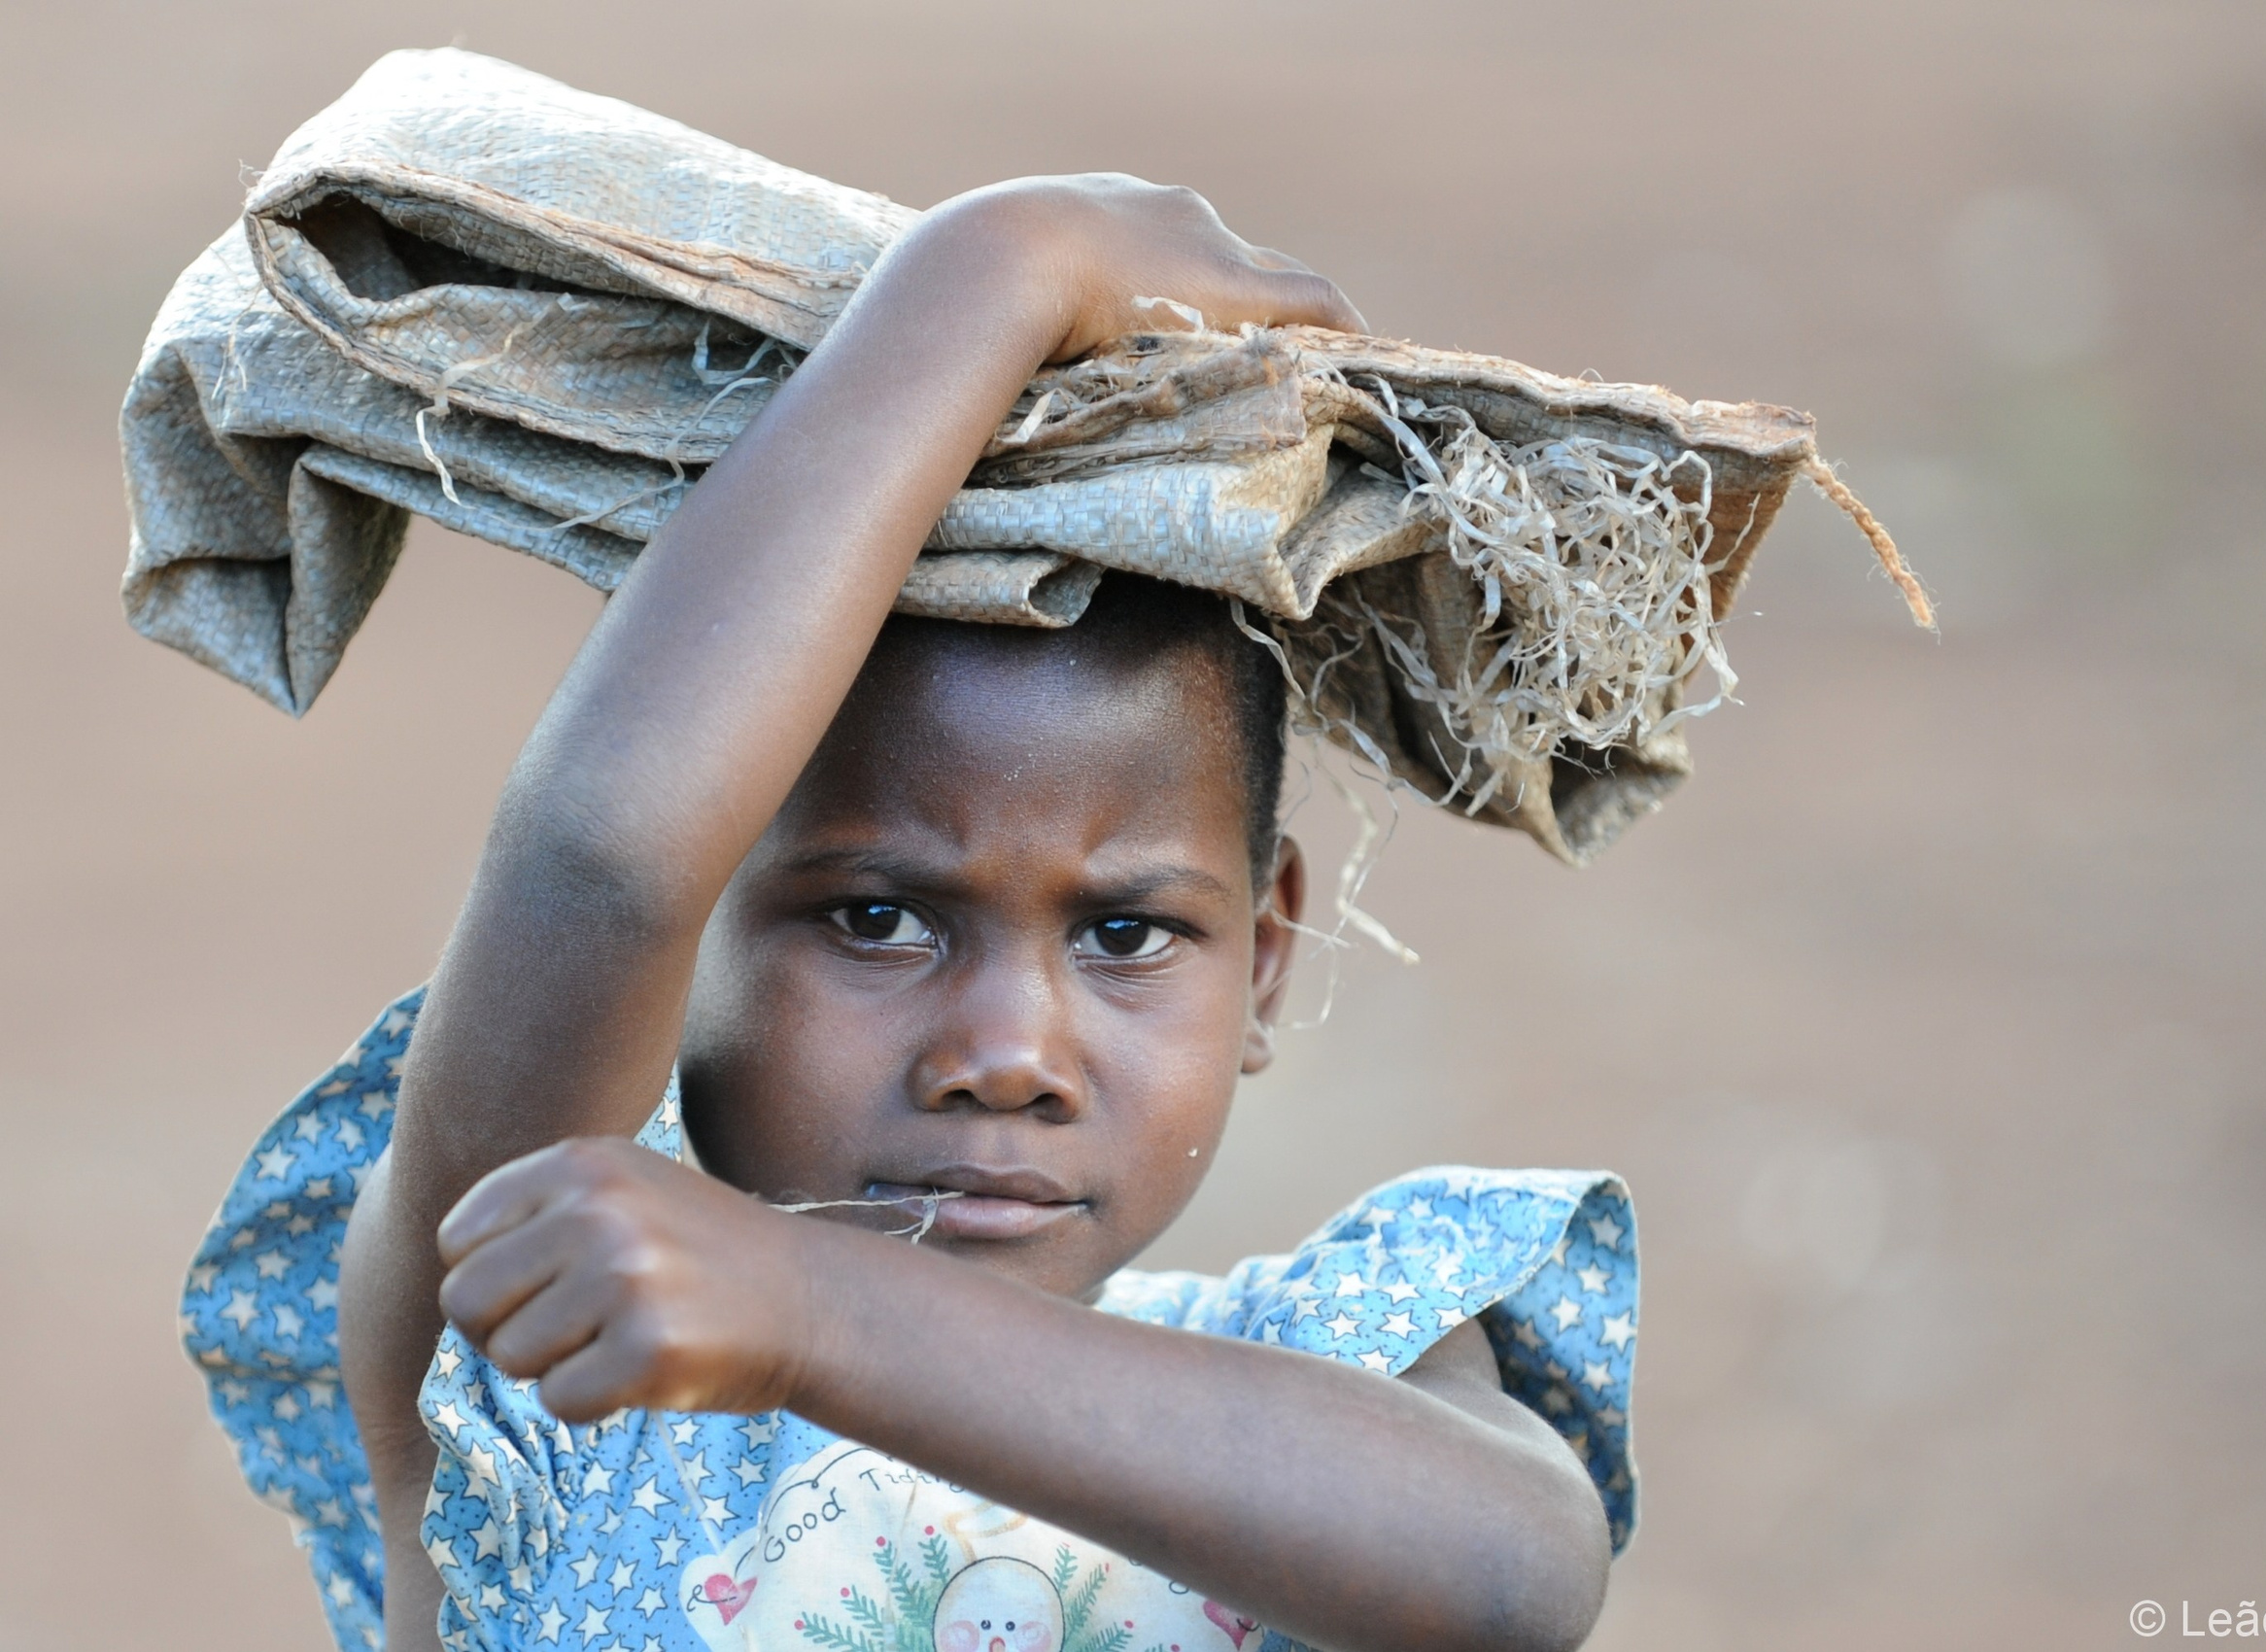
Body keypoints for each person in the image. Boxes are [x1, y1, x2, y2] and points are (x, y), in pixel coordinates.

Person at [182, 175, 1640, 1652]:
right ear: (700, 929)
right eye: (878, 918)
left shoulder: (1323, 1374)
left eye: (1125, 935)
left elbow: (1516, 1575)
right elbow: (603, 862)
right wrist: (999, 271)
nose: (1007, 1053)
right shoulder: (562, 1337)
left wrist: (817, 1312)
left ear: (1261, 959)